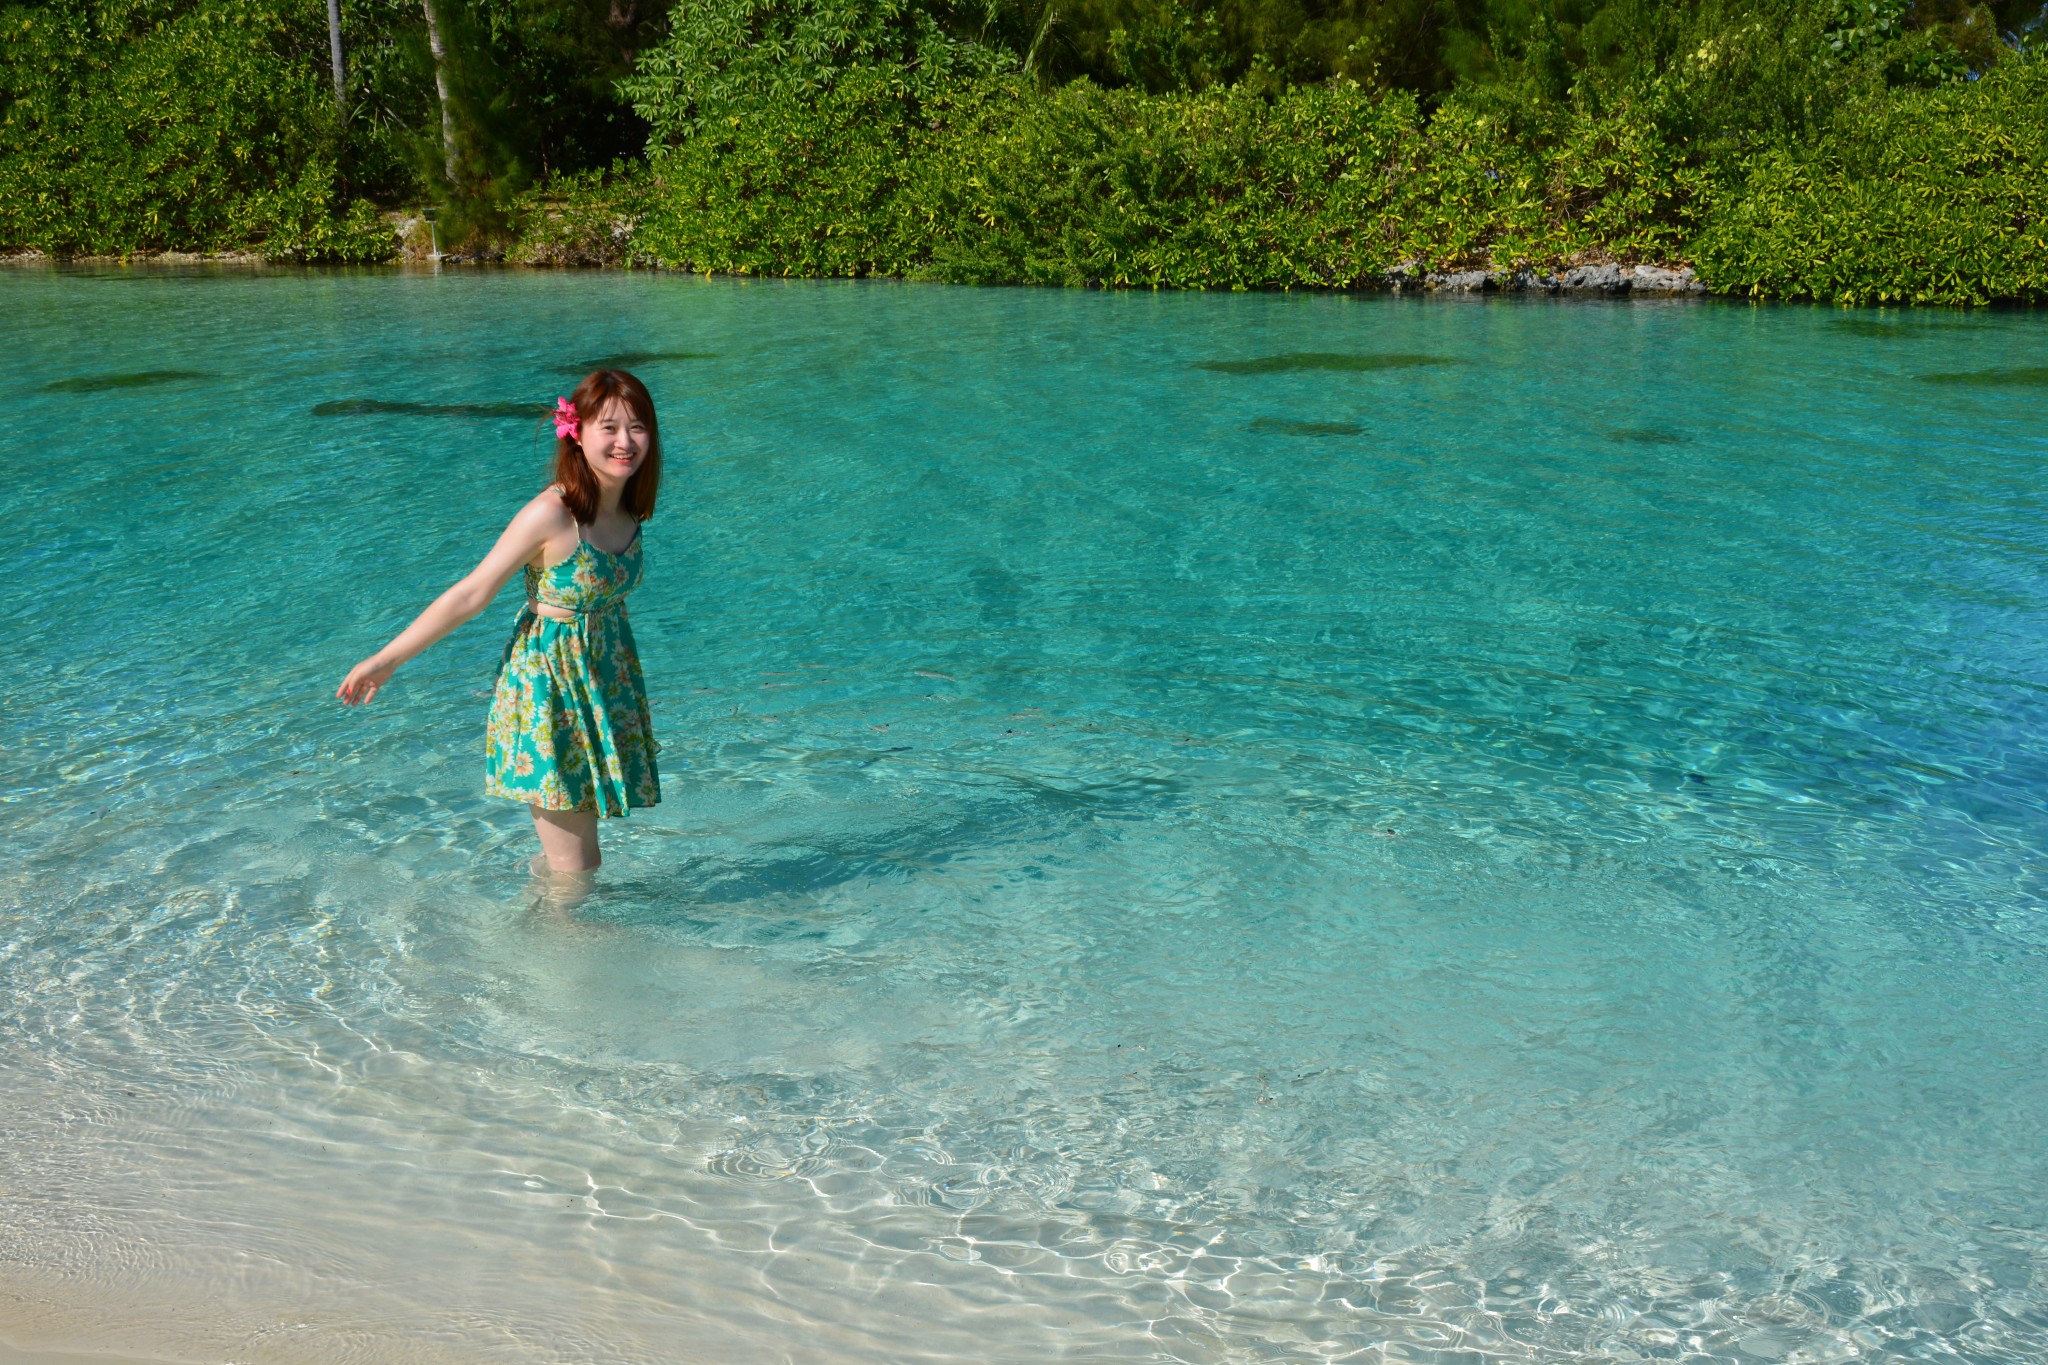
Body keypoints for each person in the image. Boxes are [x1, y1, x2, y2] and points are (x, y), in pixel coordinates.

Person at [338, 369, 663, 875]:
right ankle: (557, 949)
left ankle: (531, 933)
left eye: (638, 427)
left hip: (598, 687)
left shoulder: (628, 511)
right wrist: (386, 661)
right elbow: (471, 593)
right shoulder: (552, 514)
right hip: (549, 691)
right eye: (610, 428)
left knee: (574, 859)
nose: (625, 442)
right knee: (577, 865)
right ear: (576, 432)